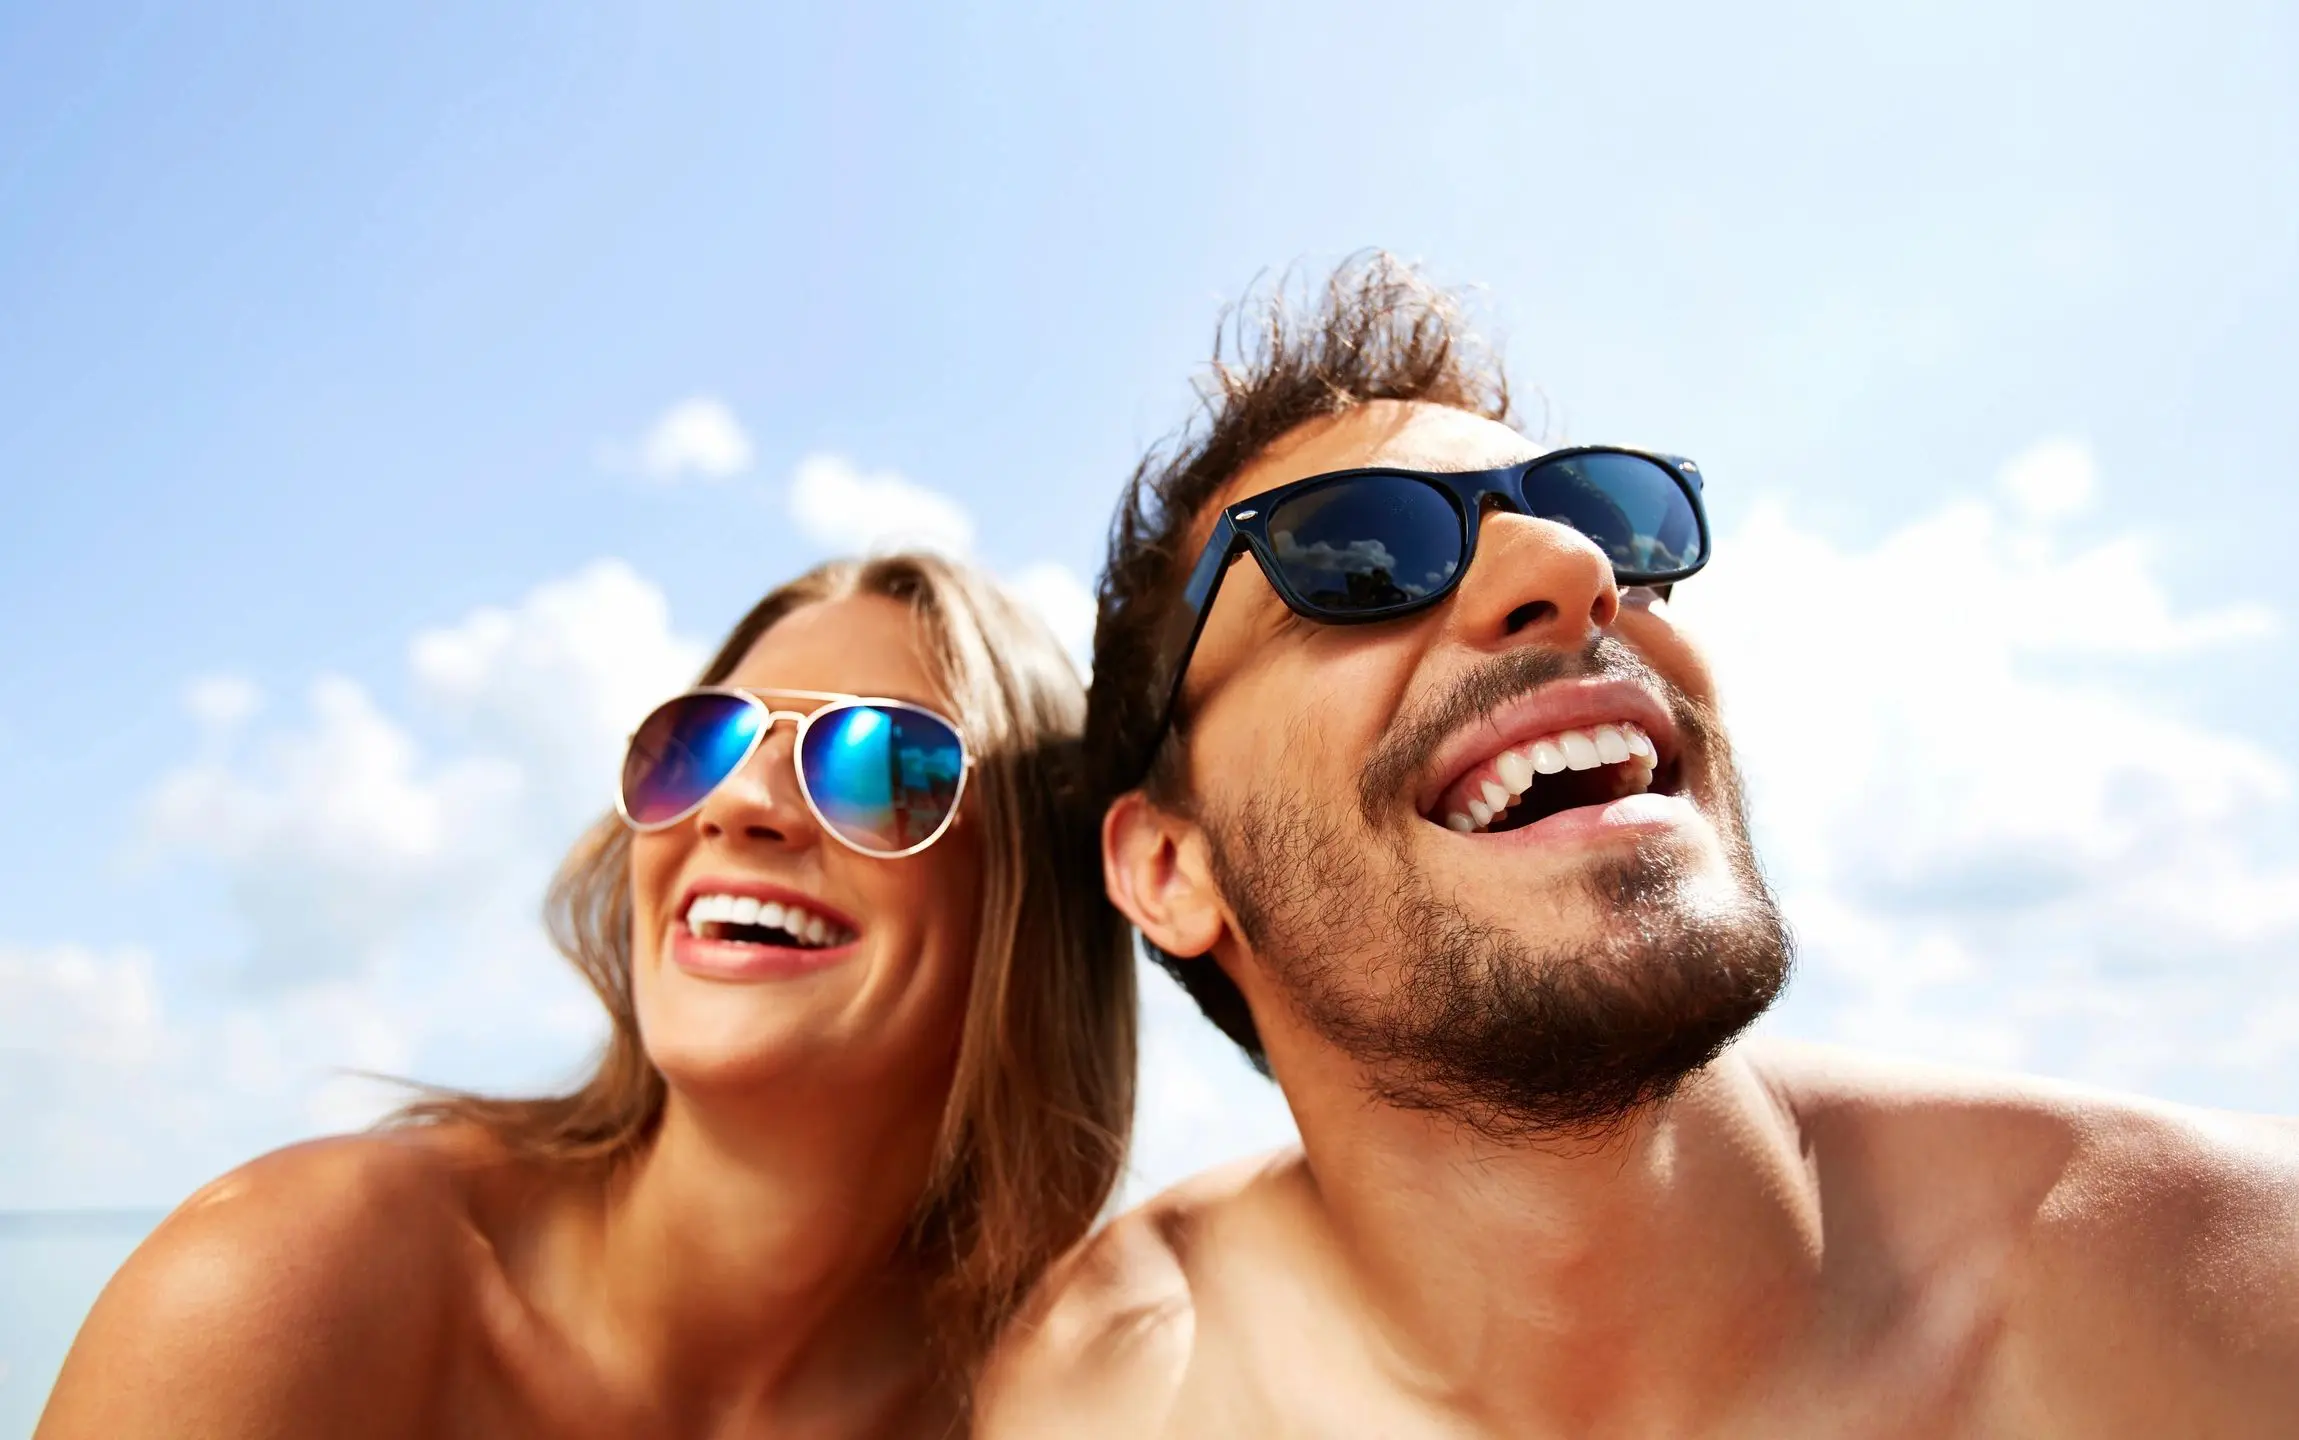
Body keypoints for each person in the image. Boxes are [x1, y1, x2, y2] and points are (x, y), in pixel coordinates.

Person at [978, 255, 2299, 1436]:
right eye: (1361, 557)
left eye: (1610, 521)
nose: (1566, 567)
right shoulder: (1106, 1391)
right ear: (1167, 867)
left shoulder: (2224, 1291)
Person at [40, 553, 1135, 1439]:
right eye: (701, 746)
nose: (741, 802)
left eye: (879, 764)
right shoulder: (285, 1293)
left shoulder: (1060, 1403)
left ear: (1034, 907)